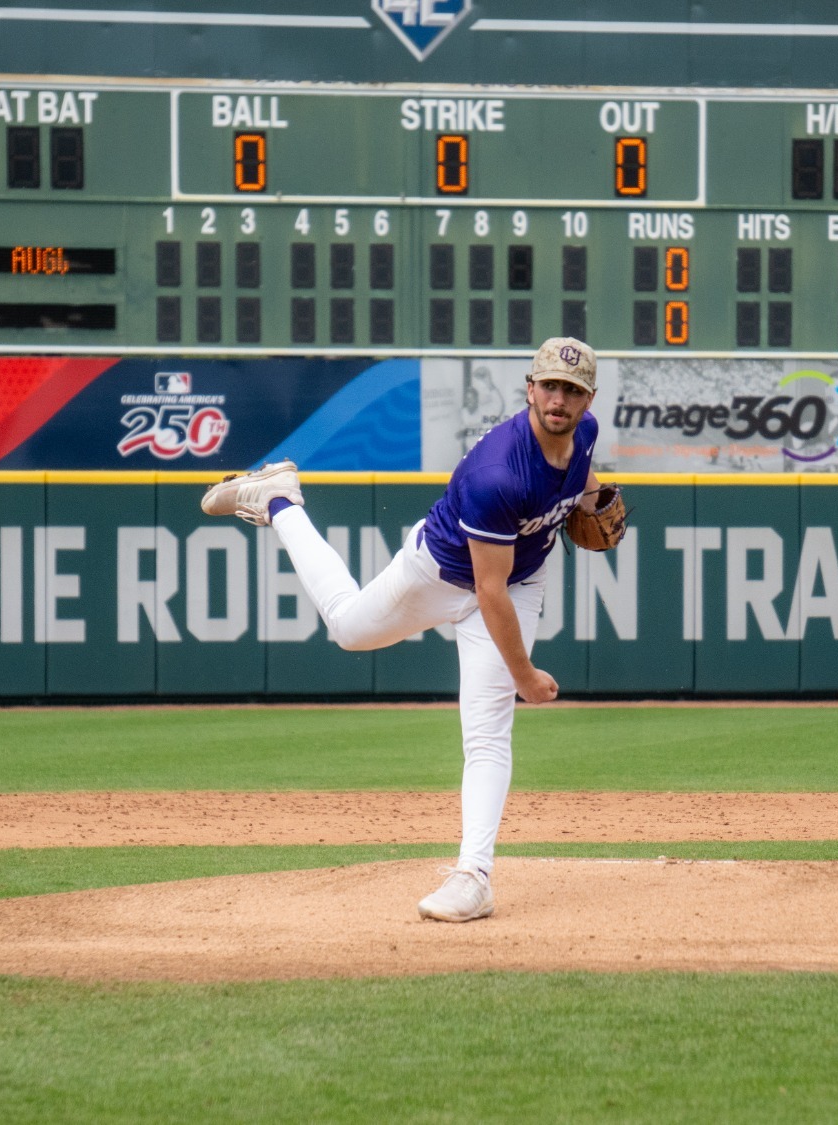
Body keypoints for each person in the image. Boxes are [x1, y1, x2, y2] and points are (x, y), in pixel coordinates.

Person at [199, 337, 606, 920]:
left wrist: (592, 500)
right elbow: (488, 592)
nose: (559, 399)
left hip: (521, 577)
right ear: (530, 388)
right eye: (550, 385)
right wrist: (527, 676)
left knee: (487, 731)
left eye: (572, 390)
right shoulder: (499, 474)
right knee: (347, 628)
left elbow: (582, 479)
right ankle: (281, 502)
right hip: (439, 572)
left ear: (588, 400)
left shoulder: (584, 436)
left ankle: (474, 876)